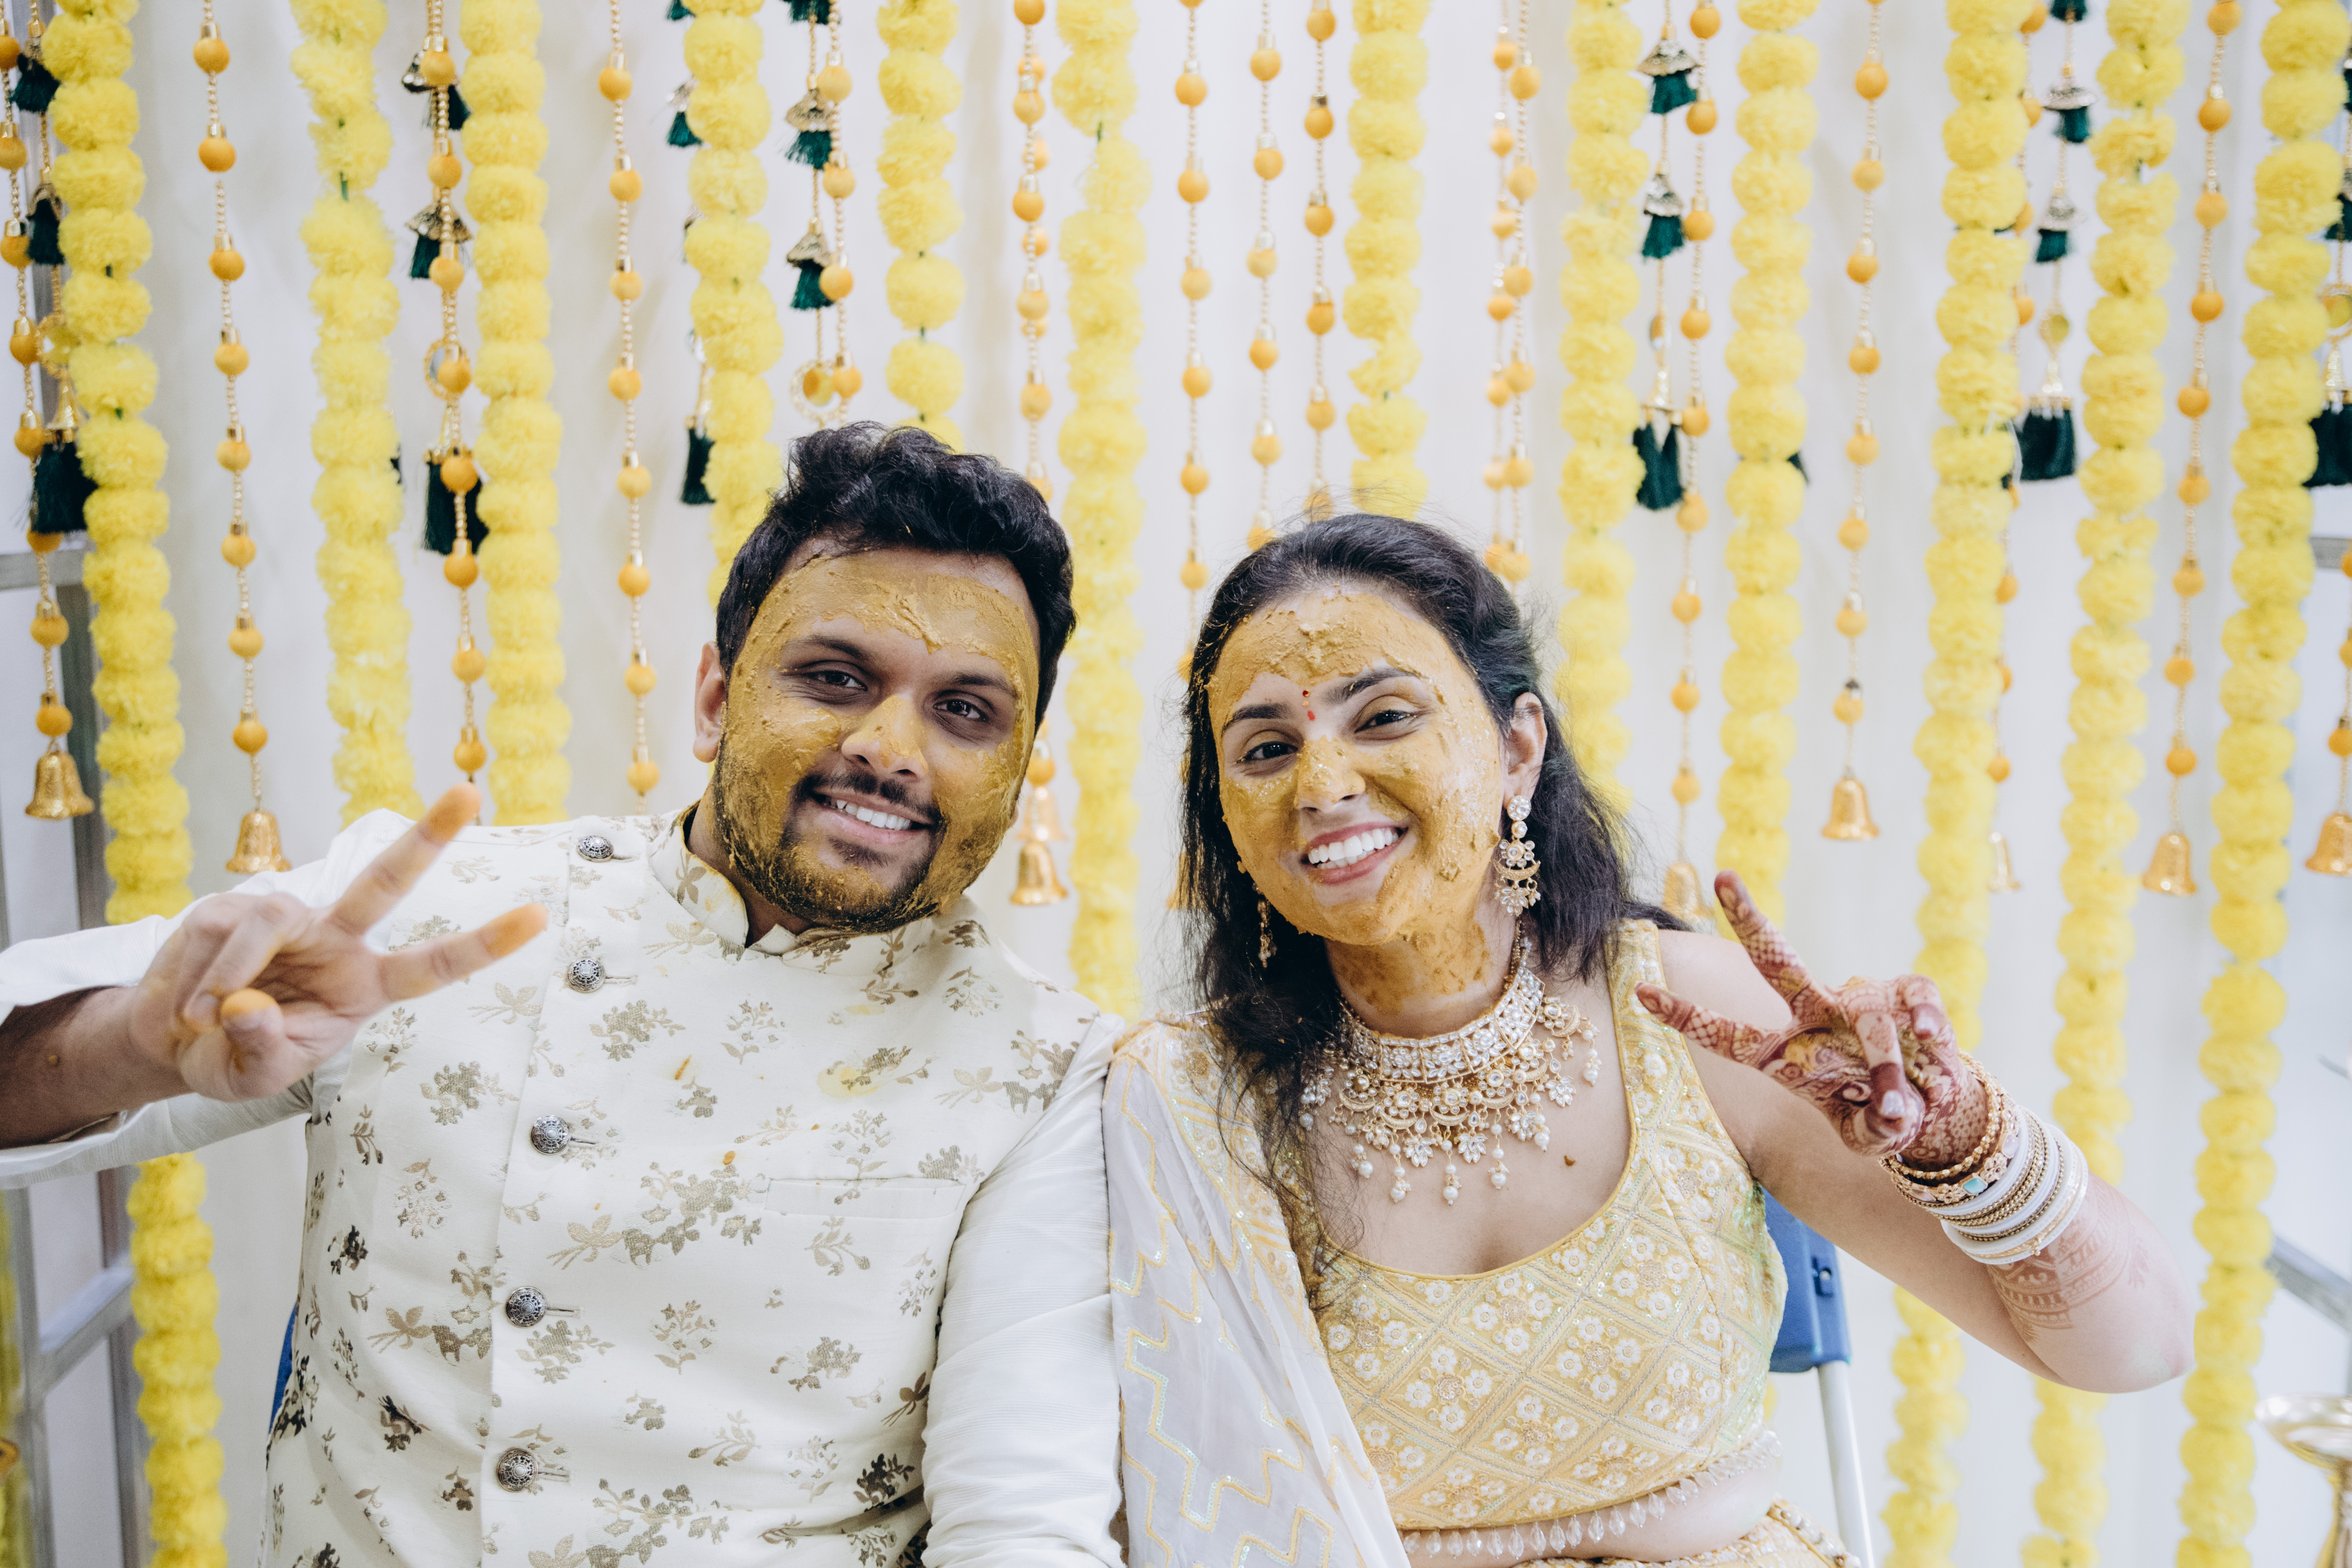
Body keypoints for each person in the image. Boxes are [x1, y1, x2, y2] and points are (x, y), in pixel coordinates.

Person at [0, 425, 1123, 1568]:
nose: (890, 748)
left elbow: (1020, 1522)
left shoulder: (1048, 1073)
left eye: (966, 711)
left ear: (1018, 766)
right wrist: (133, 1044)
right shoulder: (423, 912)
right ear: (713, 698)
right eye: (834, 678)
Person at [1106, 515, 2192, 1568]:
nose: (1323, 785)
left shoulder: (1688, 1017)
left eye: (1384, 717)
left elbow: (2135, 1351)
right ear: (1227, 818)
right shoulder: (1187, 1102)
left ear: (1517, 747)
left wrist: (1963, 1144)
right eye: (1265, 748)